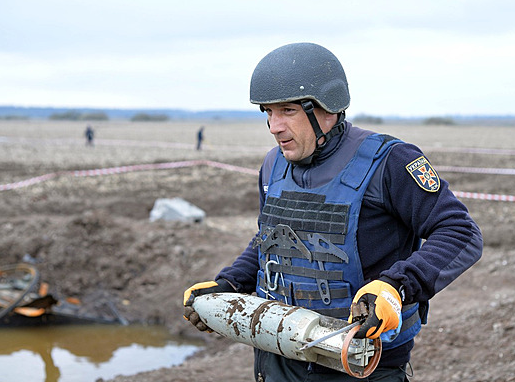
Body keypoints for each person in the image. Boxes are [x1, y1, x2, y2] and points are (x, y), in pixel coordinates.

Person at [183, 42, 483, 381]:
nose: (274, 126)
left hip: (362, 362)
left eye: (287, 111)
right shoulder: (272, 166)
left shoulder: (390, 162)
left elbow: (460, 232)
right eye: (268, 112)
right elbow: (273, 239)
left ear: (326, 108)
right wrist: (230, 281)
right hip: (278, 354)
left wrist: (396, 288)